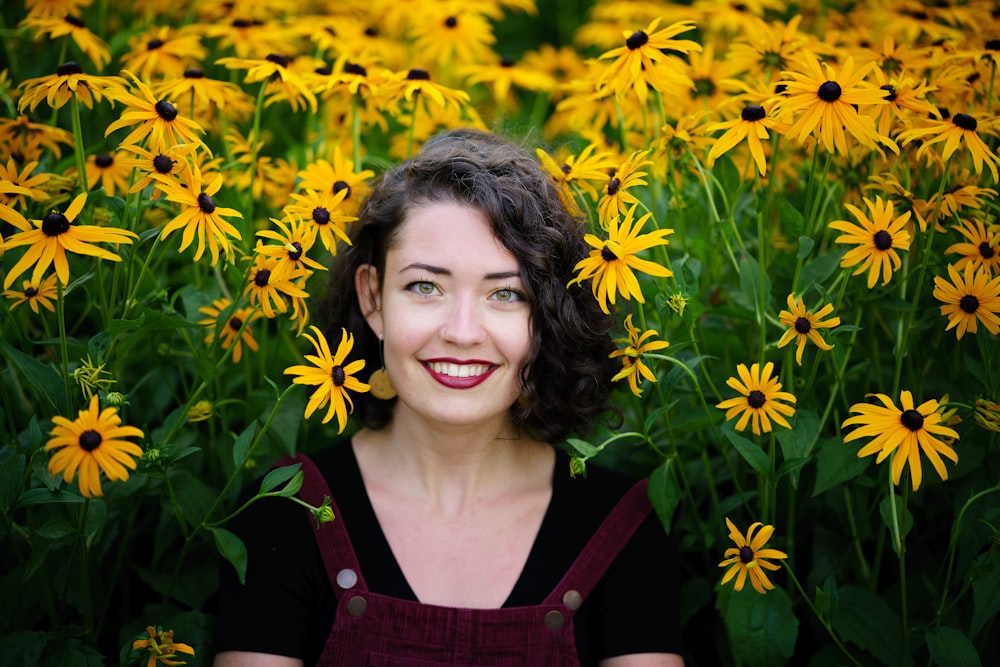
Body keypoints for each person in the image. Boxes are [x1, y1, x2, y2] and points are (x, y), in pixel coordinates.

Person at [212, 129, 683, 666]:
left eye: (506, 293)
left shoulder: (621, 527)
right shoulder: (282, 513)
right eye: (425, 287)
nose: (462, 332)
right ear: (372, 298)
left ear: (546, 318)